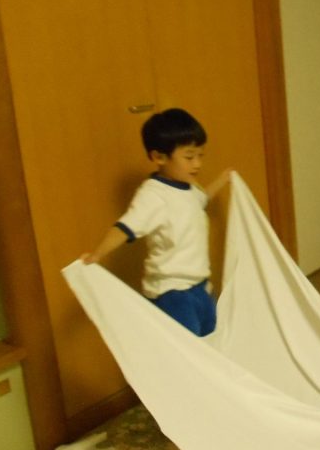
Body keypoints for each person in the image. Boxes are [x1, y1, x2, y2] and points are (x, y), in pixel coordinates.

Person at [83, 108, 232, 336]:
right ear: (159, 157)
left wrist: (224, 180)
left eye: (200, 156)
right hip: (171, 292)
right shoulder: (153, 196)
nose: (197, 164)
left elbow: (199, 201)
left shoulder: (189, 189)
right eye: (189, 157)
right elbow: (125, 227)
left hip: (199, 286)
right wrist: (97, 254)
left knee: (210, 338)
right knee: (185, 347)